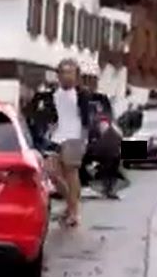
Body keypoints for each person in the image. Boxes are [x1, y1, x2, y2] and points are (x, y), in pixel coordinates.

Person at [24, 58, 100, 227]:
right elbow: (39, 114)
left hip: (74, 138)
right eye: (63, 72)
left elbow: (89, 119)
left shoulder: (83, 95)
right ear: (58, 75)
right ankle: (71, 205)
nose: (67, 76)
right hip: (54, 139)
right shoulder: (51, 95)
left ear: (77, 75)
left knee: (71, 174)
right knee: (52, 173)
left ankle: (73, 212)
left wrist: (86, 138)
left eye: (70, 72)